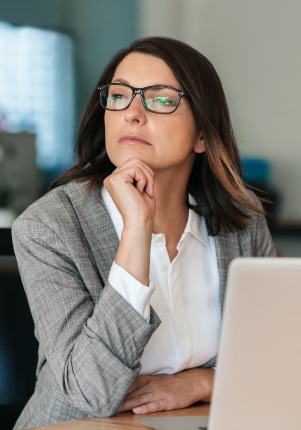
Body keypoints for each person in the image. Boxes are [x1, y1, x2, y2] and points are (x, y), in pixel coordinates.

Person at [12, 36, 276, 429]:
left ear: (203, 134)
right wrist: (136, 233)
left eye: (161, 98)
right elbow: (91, 392)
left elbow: (276, 358)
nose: (132, 113)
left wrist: (202, 382)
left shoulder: (242, 222)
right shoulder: (48, 226)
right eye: (119, 96)